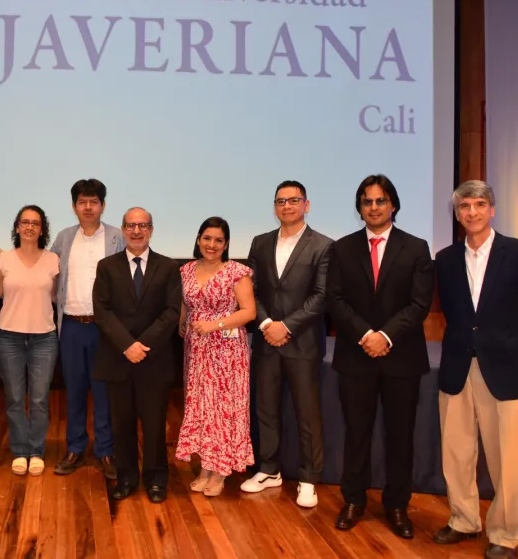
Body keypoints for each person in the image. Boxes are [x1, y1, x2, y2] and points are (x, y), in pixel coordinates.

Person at [327, 174, 434, 538]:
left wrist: (385, 336)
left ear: (393, 205)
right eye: (367, 202)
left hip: (401, 358)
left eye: (380, 201)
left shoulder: (416, 248)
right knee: (356, 433)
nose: (373, 207)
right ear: (360, 208)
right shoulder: (342, 248)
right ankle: (353, 500)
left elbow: (419, 303)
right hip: (356, 356)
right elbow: (335, 300)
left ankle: (397, 505)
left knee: (400, 435)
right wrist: (366, 335)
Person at [433, 180, 518, 559]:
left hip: (505, 368)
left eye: (479, 205)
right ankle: (464, 519)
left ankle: (506, 533)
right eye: (464, 206)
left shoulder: (515, 253)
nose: (472, 212)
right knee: (457, 451)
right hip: (456, 365)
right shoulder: (445, 259)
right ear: (457, 214)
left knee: (508, 459)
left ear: (492, 210)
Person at [241, 181, 333, 508]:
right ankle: (269, 470)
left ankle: (308, 479)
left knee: (307, 414)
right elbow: (251, 290)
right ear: (274, 207)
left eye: (294, 200)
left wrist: (287, 327)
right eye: (281, 201)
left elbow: (322, 296)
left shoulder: (323, 245)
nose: (287, 206)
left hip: (302, 343)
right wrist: (267, 324)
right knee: (265, 408)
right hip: (266, 340)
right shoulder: (260, 242)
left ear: (306, 205)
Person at [92, 207, 182, 503]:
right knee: (123, 424)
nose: (137, 231)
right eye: (131, 225)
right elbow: (102, 311)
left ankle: (156, 479)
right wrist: (126, 345)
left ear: (151, 230)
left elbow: (171, 312)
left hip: (154, 360)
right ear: (123, 230)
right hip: (118, 358)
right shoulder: (107, 266)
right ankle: (127, 477)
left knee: (155, 425)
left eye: (143, 225)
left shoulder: (168, 267)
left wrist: (142, 345)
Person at [175, 217, 256, 497]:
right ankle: (206, 467)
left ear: (226, 244)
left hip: (227, 351)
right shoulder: (186, 270)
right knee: (201, 407)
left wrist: (214, 324)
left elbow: (249, 311)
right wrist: (182, 322)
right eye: (207, 238)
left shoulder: (236, 272)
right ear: (199, 239)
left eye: (218, 240)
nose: (212, 245)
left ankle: (220, 470)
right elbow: (186, 303)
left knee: (223, 409)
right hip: (197, 350)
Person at [51, 179, 124, 480]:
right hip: (71, 326)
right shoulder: (64, 237)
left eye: (94, 202)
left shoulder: (117, 237)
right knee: (75, 391)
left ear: (103, 205)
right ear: (74, 206)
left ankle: (105, 450)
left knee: (105, 392)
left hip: (105, 328)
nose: (88, 207)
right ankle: (75, 447)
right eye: (82, 202)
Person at [0, 205, 59, 476]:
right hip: (8, 337)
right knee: (15, 399)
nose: (30, 227)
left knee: (40, 399)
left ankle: (37, 451)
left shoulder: (53, 260)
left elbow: (55, 298)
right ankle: (20, 451)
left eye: (35, 223)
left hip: (44, 338)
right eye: (25, 222)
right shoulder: (4, 259)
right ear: (17, 227)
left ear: (42, 229)